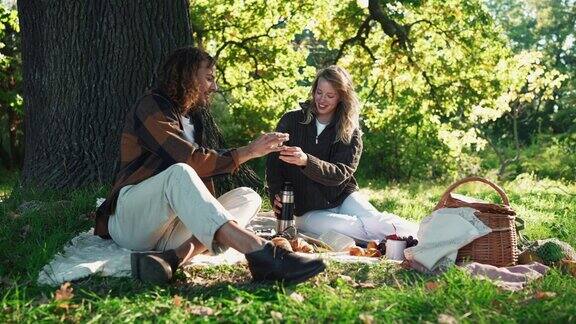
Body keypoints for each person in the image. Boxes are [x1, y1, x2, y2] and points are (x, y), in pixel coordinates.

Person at [95, 46, 325, 284]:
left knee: (248, 197)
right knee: (181, 171)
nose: (214, 86)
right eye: (209, 78)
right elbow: (190, 160)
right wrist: (248, 151)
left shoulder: (194, 120)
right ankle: (260, 253)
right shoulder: (150, 106)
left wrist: (248, 154)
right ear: (188, 76)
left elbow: (200, 171)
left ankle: (173, 258)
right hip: (133, 221)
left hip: (168, 232)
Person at [266, 65, 418, 244]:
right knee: (357, 226)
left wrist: (306, 161)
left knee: (377, 221)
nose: (322, 100)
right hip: (306, 210)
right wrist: (275, 194)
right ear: (313, 91)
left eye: (330, 95)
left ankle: (429, 235)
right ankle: (399, 240)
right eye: (319, 92)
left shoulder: (349, 130)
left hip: (342, 196)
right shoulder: (291, 121)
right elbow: (273, 165)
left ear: (341, 97)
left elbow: (341, 173)